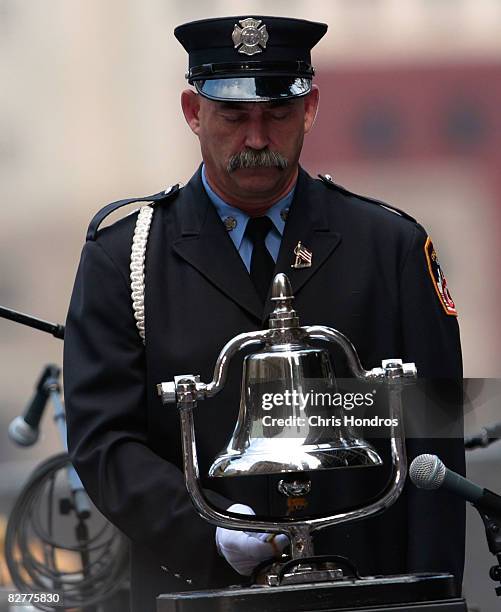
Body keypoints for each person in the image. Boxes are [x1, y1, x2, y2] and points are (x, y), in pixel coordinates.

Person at [63, 15, 465, 612]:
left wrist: (432, 598)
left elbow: (434, 438)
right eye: (233, 116)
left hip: (366, 591)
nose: (256, 139)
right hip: (195, 593)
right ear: (192, 111)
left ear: (310, 110)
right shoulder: (124, 259)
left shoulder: (389, 247)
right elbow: (103, 441)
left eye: (277, 114)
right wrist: (210, 530)